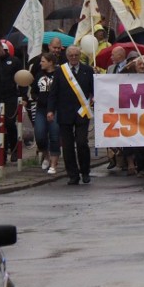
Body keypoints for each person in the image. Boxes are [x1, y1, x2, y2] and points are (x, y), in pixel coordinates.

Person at [47, 46, 95, 185]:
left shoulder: (88, 70)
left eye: (76, 55)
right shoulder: (60, 71)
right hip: (65, 113)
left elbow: (94, 90)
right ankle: (72, 175)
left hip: (82, 112)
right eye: (71, 55)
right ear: (67, 56)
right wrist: (50, 110)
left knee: (81, 142)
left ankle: (85, 171)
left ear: (80, 55)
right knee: (67, 146)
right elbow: (53, 93)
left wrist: (94, 99)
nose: (74, 58)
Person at [31, 53, 61, 174]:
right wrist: (35, 97)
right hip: (41, 108)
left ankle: (53, 163)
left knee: (54, 135)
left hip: (55, 108)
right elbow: (34, 91)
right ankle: (46, 155)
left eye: (43, 61)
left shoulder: (59, 74)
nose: (41, 63)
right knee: (39, 135)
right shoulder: (39, 75)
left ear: (50, 62)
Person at [0, 39, 20, 162]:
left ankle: (14, 148)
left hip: (10, 97)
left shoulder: (14, 61)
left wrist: (22, 96)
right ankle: (0, 154)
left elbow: (21, 77)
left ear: (3, 48)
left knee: (9, 123)